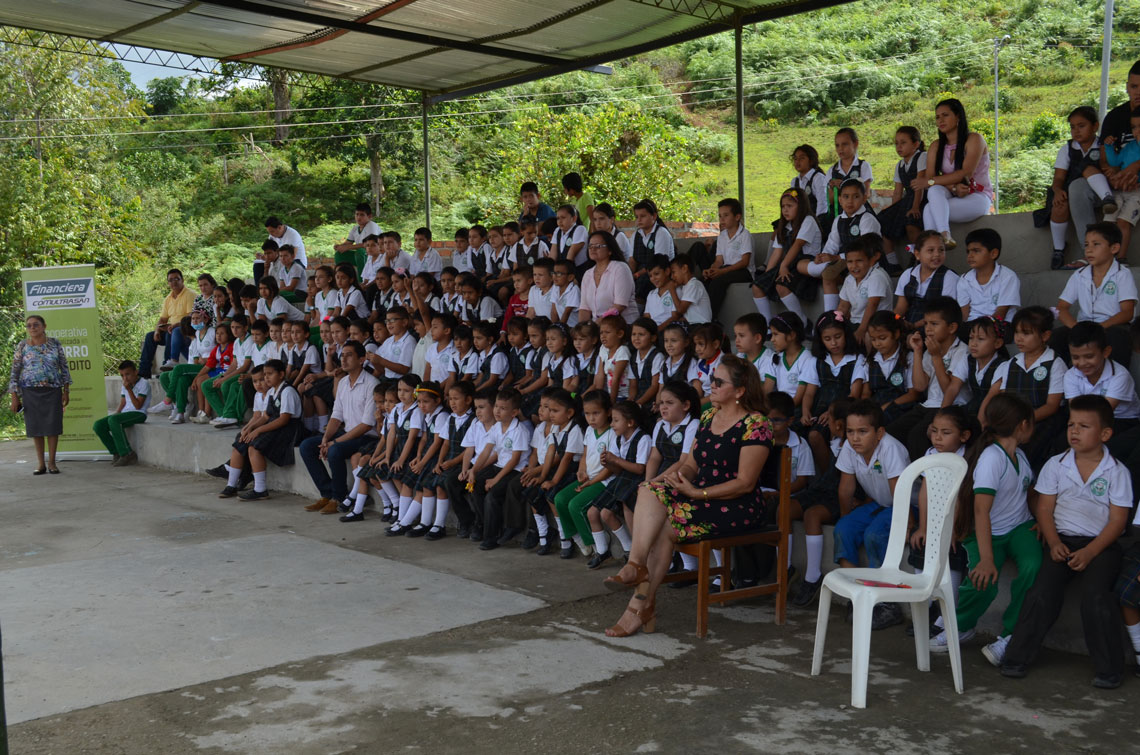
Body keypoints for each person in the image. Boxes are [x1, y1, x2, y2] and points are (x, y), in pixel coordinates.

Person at [601, 355, 774, 637]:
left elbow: (745, 482)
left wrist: (698, 492)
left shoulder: (756, 424)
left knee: (665, 528)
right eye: (712, 379)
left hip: (736, 505)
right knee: (648, 488)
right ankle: (636, 569)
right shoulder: (707, 417)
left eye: (719, 381)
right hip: (699, 496)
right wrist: (677, 479)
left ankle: (639, 604)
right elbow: (692, 464)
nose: (711, 384)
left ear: (740, 390)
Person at [999, 395, 1131, 688]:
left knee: (1096, 596)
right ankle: (1016, 658)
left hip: (1102, 545)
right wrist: (1053, 541)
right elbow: (1045, 508)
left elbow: (1117, 522)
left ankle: (1110, 670)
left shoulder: (1117, 472)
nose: (1074, 431)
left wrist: (1091, 551)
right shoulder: (1056, 464)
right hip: (1061, 540)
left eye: (1084, 426)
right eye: (1071, 424)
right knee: (1041, 593)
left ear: (1105, 434)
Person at [930, 394, 1040, 667]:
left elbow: (1030, 492)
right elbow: (981, 511)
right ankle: (962, 626)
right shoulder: (992, 457)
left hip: (1020, 527)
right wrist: (988, 558)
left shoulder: (1021, 456)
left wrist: (1041, 519)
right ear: (1023, 424)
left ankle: (1010, 634)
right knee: (982, 579)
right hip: (988, 531)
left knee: (1032, 566)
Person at [832, 399, 912, 629]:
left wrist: (907, 525)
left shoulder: (891, 448)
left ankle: (886, 603)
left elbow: (901, 494)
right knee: (842, 530)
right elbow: (846, 488)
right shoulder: (849, 447)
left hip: (904, 505)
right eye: (850, 431)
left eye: (863, 431)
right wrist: (847, 519)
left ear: (879, 433)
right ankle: (857, 594)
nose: (855, 437)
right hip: (879, 503)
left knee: (874, 535)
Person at [981, 306, 1067, 468]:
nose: (1019, 339)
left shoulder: (1055, 363)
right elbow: (1005, 396)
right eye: (1017, 333)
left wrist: (1024, 420)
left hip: (1041, 419)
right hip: (1013, 419)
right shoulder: (1012, 363)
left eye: (1026, 333)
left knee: (1029, 448)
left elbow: (1051, 405)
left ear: (1045, 336)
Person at [298, 341, 379, 511]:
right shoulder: (342, 383)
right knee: (307, 446)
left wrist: (334, 443)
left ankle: (339, 497)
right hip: (348, 432)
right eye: (342, 355)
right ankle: (327, 493)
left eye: (349, 355)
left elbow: (366, 425)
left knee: (335, 450)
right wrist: (326, 438)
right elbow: (336, 416)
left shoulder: (372, 383)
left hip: (367, 437)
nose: (344, 359)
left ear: (362, 359)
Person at [1039, 107, 1117, 269]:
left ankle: (1107, 198)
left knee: (1088, 169)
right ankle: (1059, 248)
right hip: (1072, 193)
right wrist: (1058, 191)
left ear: (1095, 126)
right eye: (1072, 127)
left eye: (1081, 126)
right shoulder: (1067, 149)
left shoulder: (1103, 145)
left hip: (1098, 192)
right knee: (1060, 204)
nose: (1076, 131)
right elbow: (1059, 178)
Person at [1052, 222, 1136, 365]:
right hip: (1084, 326)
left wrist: (1100, 327)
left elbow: (1127, 313)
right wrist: (1077, 328)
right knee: (1057, 337)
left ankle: (1117, 380)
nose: (1089, 250)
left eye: (1096, 244)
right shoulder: (1079, 275)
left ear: (1114, 248)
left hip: (1111, 325)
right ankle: (1065, 382)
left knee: (1118, 337)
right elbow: (1062, 307)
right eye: (1086, 245)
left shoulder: (1123, 274)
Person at [917, 98, 993, 249]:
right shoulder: (936, 146)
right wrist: (952, 188)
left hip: (977, 197)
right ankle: (944, 236)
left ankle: (931, 250)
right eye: (937, 117)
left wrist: (930, 182)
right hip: (952, 194)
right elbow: (931, 180)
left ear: (958, 116)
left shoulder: (974, 139)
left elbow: (965, 173)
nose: (941, 120)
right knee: (934, 190)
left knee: (929, 208)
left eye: (945, 115)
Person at [1082, 60, 1140, 252]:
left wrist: (1135, 169)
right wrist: (1113, 174)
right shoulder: (1116, 116)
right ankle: (1090, 253)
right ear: (1127, 88)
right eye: (1134, 86)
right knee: (1077, 187)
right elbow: (1105, 155)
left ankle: (1120, 258)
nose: (1138, 92)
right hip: (1119, 183)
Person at [8, 315, 71, 474]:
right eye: (29, 326)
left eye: (36, 325)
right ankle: (41, 464)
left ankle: (52, 463)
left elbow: (64, 368)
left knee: (52, 426)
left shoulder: (55, 344)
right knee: (36, 428)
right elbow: (15, 372)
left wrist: (66, 391)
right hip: (30, 392)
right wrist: (14, 396)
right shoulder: (22, 346)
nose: (32, 328)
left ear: (44, 326)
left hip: (53, 390)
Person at [753, 188, 819, 323]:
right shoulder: (784, 227)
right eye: (783, 206)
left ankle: (803, 322)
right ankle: (767, 325)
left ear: (800, 207)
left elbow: (797, 245)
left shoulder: (808, 221)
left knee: (782, 286)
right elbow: (777, 252)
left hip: (804, 264)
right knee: (757, 286)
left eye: (790, 206)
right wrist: (767, 274)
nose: (785, 210)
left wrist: (783, 265)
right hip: (789, 264)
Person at [877, 126, 928, 261]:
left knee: (911, 222)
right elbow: (898, 193)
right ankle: (892, 262)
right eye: (896, 143)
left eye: (903, 142)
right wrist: (893, 212)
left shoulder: (922, 157)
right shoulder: (899, 165)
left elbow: (920, 185)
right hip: (907, 200)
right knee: (883, 220)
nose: (899, 146)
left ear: (916, 144)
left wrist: (916, 206)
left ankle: (916, 258)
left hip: (922, 198)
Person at [894, 230, 959, 327]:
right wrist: (895, 320)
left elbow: (944, 313)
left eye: (941, 250)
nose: (937, 254)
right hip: (908, 324)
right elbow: (900, 308)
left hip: (935, 328)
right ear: (917, 254)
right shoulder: (908, 275)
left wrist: (915, 325)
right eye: (931, 250)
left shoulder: (949, 278)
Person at [837, 234, 893, 346]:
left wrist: (862, 330)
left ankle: (869, 362)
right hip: (855, 323)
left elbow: (872, 305)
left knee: (867, 338)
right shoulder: (849, 279)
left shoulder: (876, 276)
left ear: (870, 260)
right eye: (850, 262)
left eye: (859, 261)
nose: (854, 266)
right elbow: (843, 306)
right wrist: (835, 324)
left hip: (875, 324)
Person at [139, 268, 195, 378]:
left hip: (185, 331)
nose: (174, 282)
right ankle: (143, 371)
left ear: (182, 280)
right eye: (171, 280)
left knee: (172, 331)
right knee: (150, 336)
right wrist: (157, 331)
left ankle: (167, 367)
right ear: (168, 283)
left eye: (177, 279)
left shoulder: (190, 295)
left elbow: (191, 317)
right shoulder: (168, 299)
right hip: (172, 331)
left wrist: (175, 325)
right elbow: (163, 319)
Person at [955, 228, 1020, 322]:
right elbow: (964, 315)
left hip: (1000, 326)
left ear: (993, 253)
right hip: (973, 328)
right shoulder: (964, 280)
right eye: (968, 251)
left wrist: (983, 331)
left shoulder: (1008, 277)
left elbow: (1001, 314)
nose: (970, 255)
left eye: (976, 251)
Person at [703, 198, 753, 314]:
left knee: (717, 282)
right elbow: (719, 260)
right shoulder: (722, 237)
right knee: (703, 281)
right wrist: (712, 269)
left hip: (744, 271)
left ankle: (711, 317)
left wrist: (722, 272)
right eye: (720, 216)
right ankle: (701, 316)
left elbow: (744, 262)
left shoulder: (745, 235)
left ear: (737, 217)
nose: (722, 219)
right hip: (727, 269)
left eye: (726, 215)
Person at [578, 231, 638, 325]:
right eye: (590, 246)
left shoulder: (620, 268)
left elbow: (619, 306)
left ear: (610, 250)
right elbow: (584, 309)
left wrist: (597, 324)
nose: (593, 249)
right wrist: (583, 329)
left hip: (622, 325)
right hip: (597, 327)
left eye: (598, 246)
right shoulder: (587, 274)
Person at [333, 203, 380, 274]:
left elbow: (368, 244)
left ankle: (362, 281)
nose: (358, 217)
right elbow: (348, 243)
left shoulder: (372, 225)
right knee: (339, 254)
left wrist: (347, 247)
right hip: (362, 256)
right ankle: (345, 279)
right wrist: (340, 246)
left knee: (360, 252)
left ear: (369, 216)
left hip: (375, 256)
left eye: (362, 215)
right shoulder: (355, 228)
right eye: (357, 214)